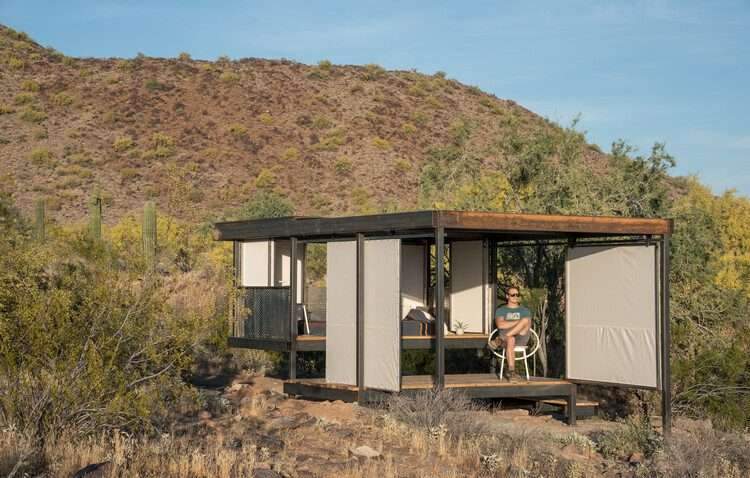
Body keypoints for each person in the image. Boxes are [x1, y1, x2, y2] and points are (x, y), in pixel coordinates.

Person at [492, 286, 531, 382]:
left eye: (517, 295)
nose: (515, 297)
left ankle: (499, 340)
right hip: (507, 340)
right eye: (513, 295)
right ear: (507, 296)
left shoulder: (525, 310)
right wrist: (519, 322)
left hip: (521, 337)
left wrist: (510, 324)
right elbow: (500, 325)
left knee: (525, 320)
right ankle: (511, 372)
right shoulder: (501, 310)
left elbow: (526, 328)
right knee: (510, 339)